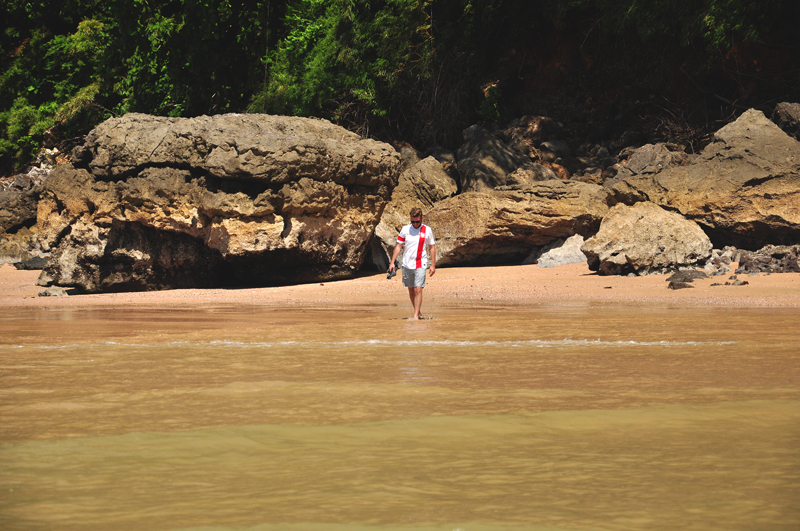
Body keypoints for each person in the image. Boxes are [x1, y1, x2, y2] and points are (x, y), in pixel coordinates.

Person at [388, 207, 436, 320]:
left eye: (417, 221)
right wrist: (392, 262)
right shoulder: (405, 229)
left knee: (418, 289)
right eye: (413, 221)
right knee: (410, 289)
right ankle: (418, 312)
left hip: (421, 262)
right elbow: (399, 246)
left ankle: (415, 316)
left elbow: (432, 247)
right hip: (407, 264)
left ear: (422, 218)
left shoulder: (427, 230)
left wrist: (433, 265)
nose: (415, 224)